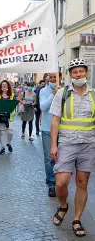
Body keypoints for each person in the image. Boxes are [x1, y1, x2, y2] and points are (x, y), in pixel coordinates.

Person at [50, 59, 95, 237]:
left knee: (82, 183)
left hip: (88, 144)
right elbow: (55, 120)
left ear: (87, 73)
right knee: (61, 182)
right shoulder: (62, 94)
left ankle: (77, 219)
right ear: (70, 75)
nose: (78, 75)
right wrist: (53, 144)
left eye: (81, 71)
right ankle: (63, 205)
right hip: (67, 143)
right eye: (75, 72)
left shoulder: (93, 94)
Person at [40, 73, 61, 197]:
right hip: (47, 128)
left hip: (62, 129)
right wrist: (53, 95)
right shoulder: (43, 91)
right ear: (48, 79)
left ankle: (60, 182)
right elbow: (43, 107)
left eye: (55, 77)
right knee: (49, 158)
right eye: (51, 77)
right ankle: (51, 184)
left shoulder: (64, 90)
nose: (53, 79)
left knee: (61, 157)